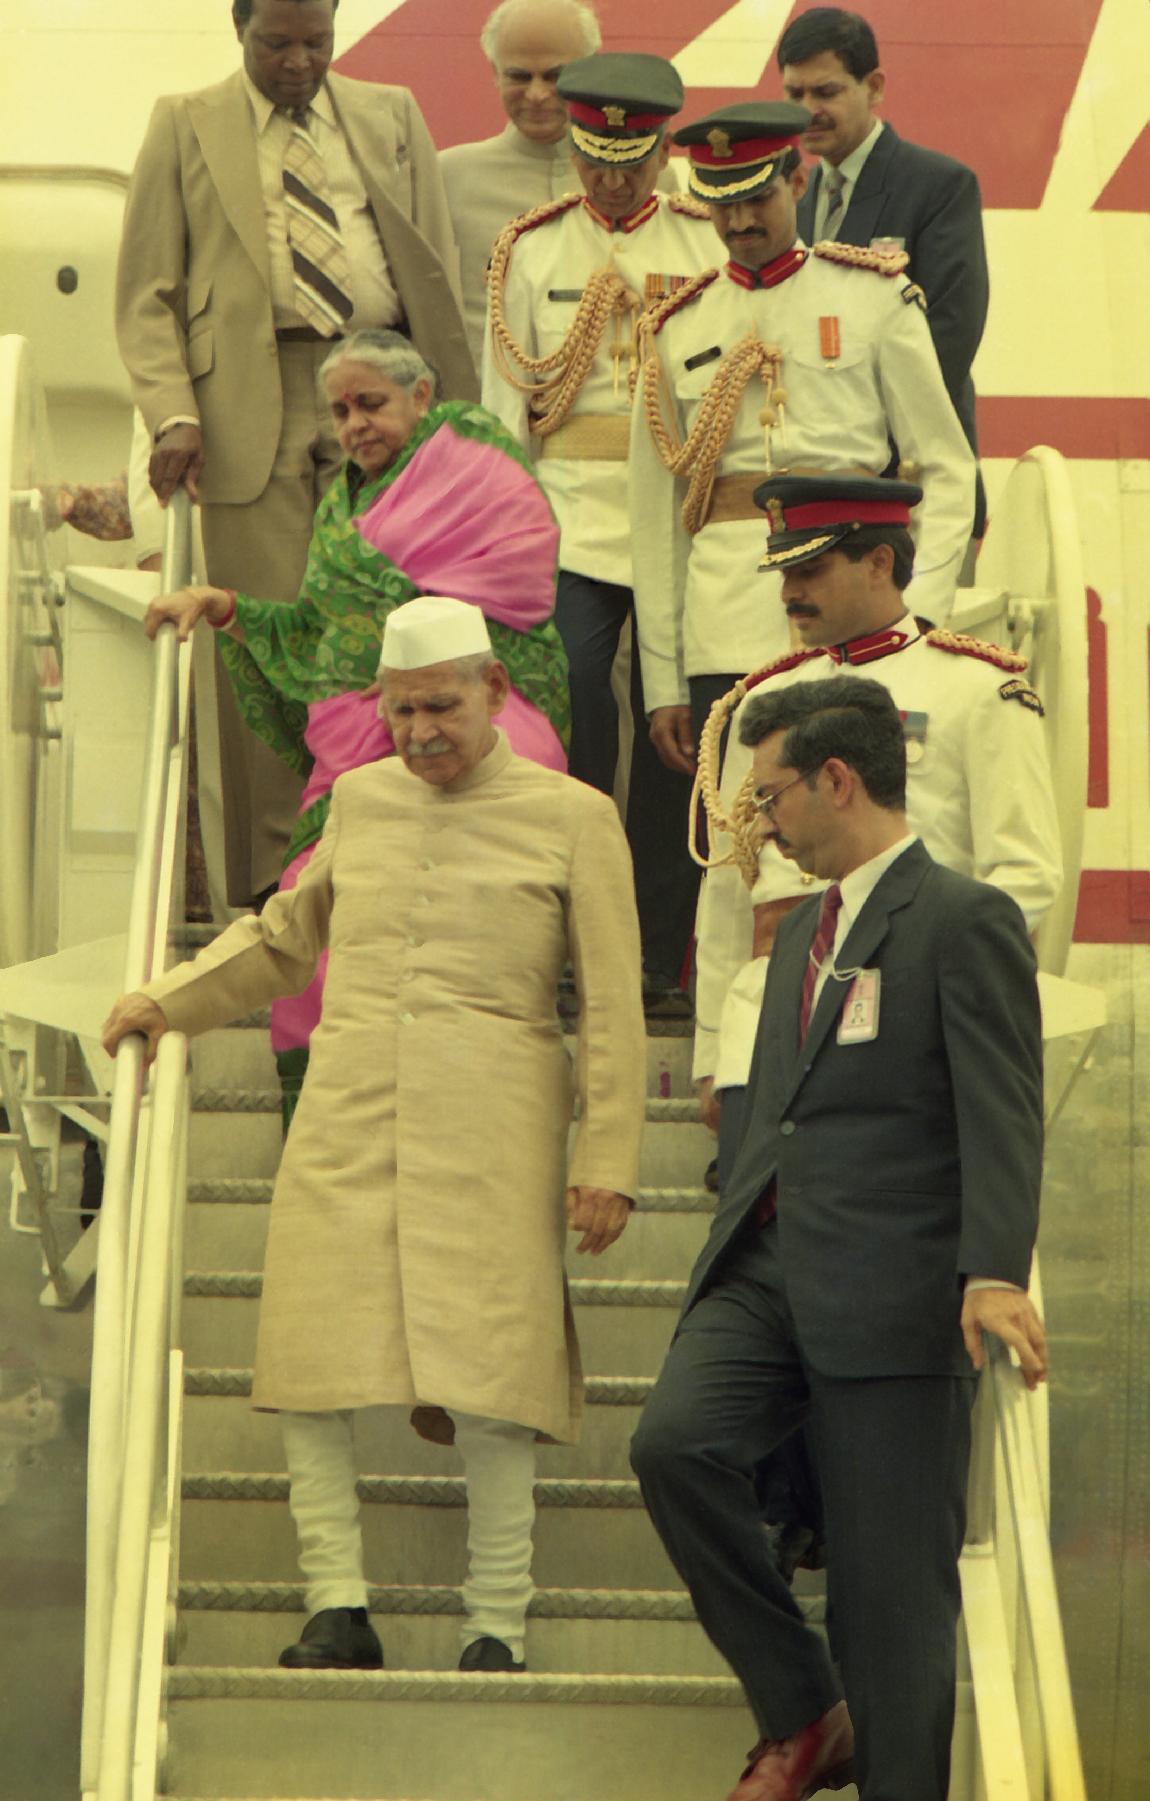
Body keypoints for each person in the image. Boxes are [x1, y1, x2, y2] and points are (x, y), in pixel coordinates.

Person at [102, 597, 646, 1677]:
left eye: (441, 707)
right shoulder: (359, 797)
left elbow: (615, 1006)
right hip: (348, 1108)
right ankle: (336, 1606)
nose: (419, 733)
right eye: (401, 712)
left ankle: (496, 1625)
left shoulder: (576, 815)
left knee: (493, 1379)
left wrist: (608, 1163)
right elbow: (281, 938)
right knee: (309, 1360)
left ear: (495, 691)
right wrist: (167, 1001)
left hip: (496, 1121)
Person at [630, 674, 1048, 1801]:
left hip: (895, 1288)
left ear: (837, 779)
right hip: (765, 1269)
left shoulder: (961, 918)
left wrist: (993, 1269)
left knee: (889, 1600)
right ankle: (808, 1705)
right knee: (673, 1446)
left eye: (771, 798)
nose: (762, 825)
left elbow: (1003, 1108)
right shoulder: (797, 936)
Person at [689, 471, 1062, 1577]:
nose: (790, 592)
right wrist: (716, 1046)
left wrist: (933, 996)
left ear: (882, 561)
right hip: (773, 1019)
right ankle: (789, 1514)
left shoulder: (977, 689)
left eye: (811, 568)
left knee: (861, 1278)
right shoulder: (759, 703)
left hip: (896, 1023)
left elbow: (1024, 878)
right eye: (783, 571)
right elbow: (726, 891)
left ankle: (853, 1527)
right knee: (760, 1266)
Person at [146, 329, 570, 1122]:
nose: (353, 426)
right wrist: (224, 606)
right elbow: (321, 632)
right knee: (314, 922)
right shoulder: (343, 501)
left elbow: (518, 579)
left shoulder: (471, 452)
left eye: (369, 403)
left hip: (475, 742)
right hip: (354, 755)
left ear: (421, 394)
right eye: (340, 411)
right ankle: (318, 1123)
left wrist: (417, 665)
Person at [116, 0, 476, 905]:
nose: (299, 61)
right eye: (276, 43)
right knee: (267, 641)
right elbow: (147, 293)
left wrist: (454, 418)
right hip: (249, 399)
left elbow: (435, 268)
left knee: (397, 629)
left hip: (384, 379)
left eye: (317, 41)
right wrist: (172, 414)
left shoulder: (392, 114)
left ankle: (393, 864)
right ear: (238, 28)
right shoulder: (183, 122)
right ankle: (280, 882)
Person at [627, 102, 975, 779]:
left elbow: (946, 465)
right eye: (722, 205)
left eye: (757, 199)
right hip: (728, 617)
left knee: (867, 804)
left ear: (797, 182)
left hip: (861, 605)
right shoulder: (675, 325)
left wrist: (922, 609)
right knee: (739, 817)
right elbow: (656, 516)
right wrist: (664, 679)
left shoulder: (874, 296)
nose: (740, 222)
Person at [482, 52, 717, 1012]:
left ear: (662, 152)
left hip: (679, 513)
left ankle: (658, 948)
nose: (611, 182)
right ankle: (569, 927)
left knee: (676, 729)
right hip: (571, 518)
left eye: (631, 162)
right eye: (593, 161)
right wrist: (505, 541)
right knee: (573, 700)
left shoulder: (705, 241)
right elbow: (505, 408)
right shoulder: (532, 248)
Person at [779, 6, 990, 533]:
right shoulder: (793, 201)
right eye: (794, 94)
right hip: (818, 486)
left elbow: (950, 335)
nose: (807, 111)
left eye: (825, 92)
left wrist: (856, 441)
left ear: (873, 86)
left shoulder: (939, 186)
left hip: (914, 482)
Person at [439, 0, 603, 364]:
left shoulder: (642, 180)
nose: (537, 94)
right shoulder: (447, 177)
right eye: (519, 76)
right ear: (495, 73)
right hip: (484, 397)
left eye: (555, 76)